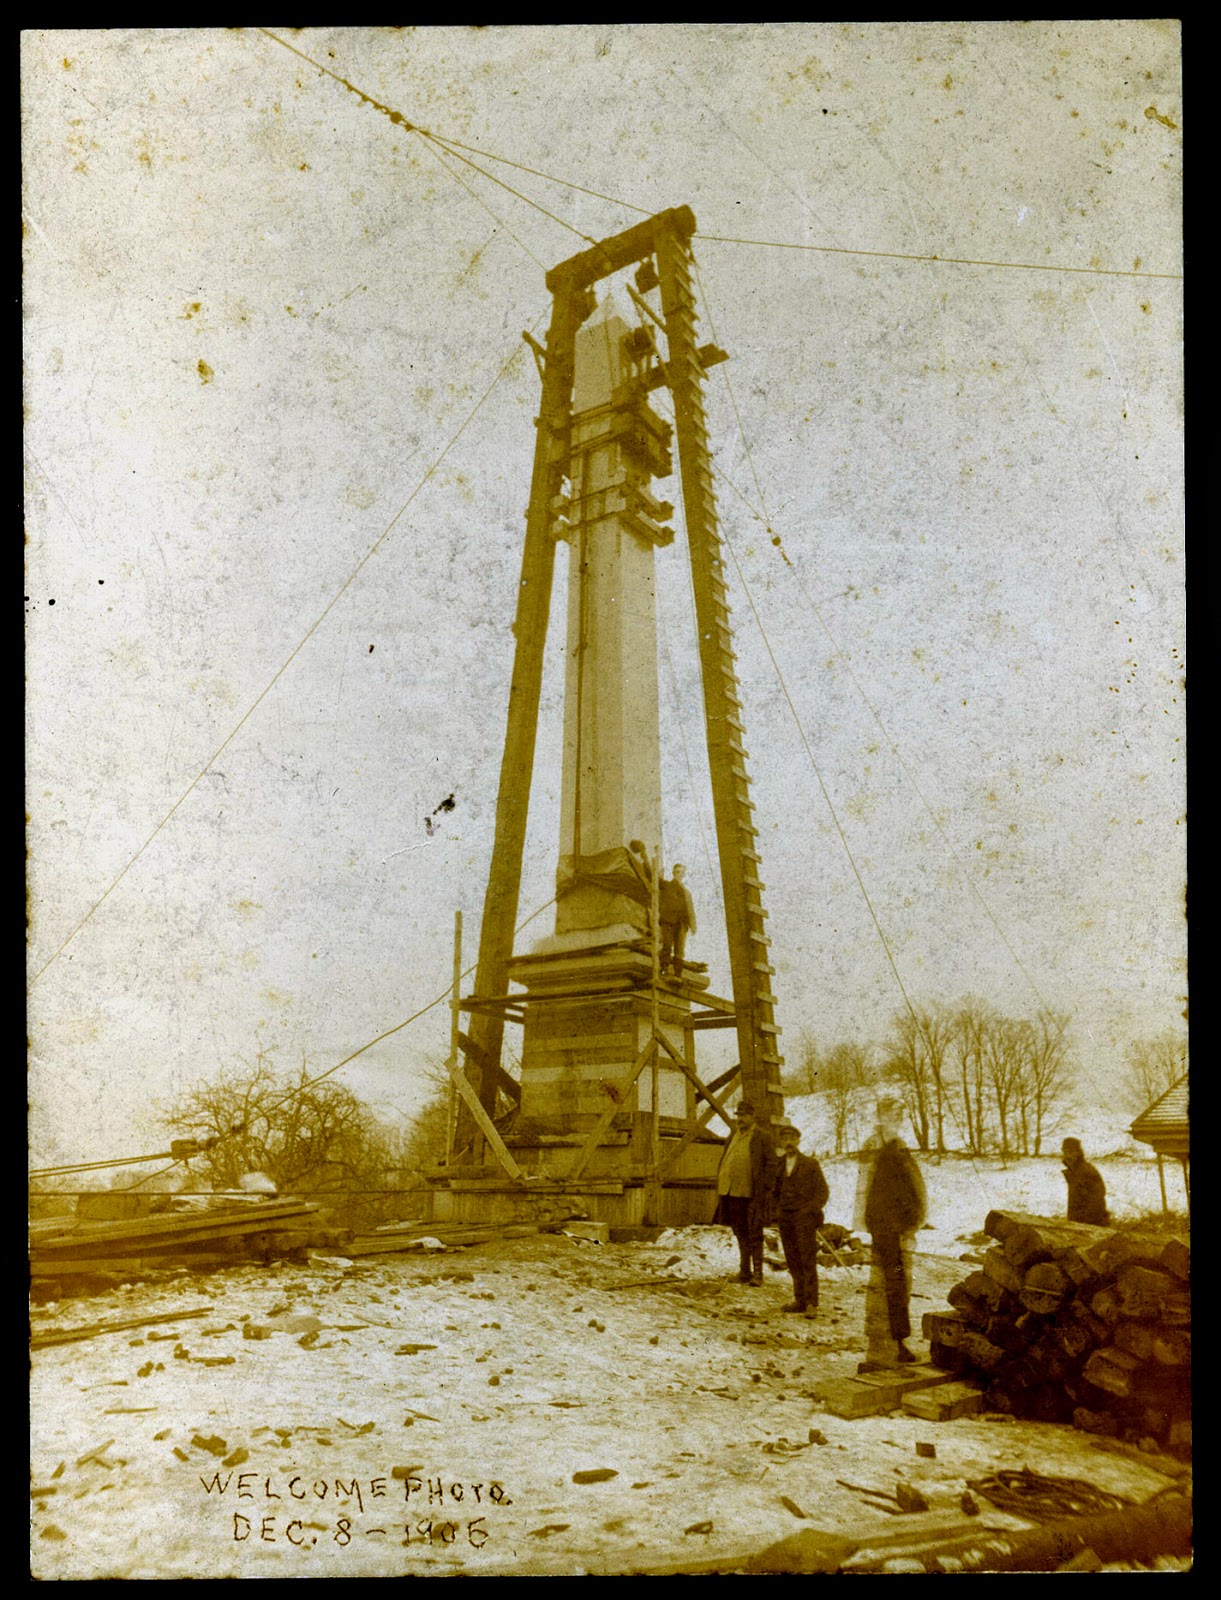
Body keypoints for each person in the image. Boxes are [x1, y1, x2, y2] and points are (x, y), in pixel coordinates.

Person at [855, 1096, 926, 1370]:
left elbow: (911, 1188)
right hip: (887, 1234)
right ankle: (879, 1350)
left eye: (899, 1116)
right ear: (881, 1116)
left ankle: (897, 1342)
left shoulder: (898, 1146)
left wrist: (912, 1221)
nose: (896, 1121)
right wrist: (888, 1225)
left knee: (899, 1285)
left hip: (899, 1232)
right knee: (885, 1287)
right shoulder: (877, 1148)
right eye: (892, 1115)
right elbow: (871, 1192)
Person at [712, 1100, 777, 1286]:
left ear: (752, 1116)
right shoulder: (734, 1134)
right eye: (738, 1115)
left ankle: (758, 1275)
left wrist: (763, 1189)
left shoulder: (762, 1136)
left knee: (754, 1233)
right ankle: (744, 1272)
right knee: (740, 1233)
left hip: (752, 1194)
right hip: (732, 1192)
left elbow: (772, 1164)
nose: (740, 1119)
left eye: (744, 1115)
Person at [772, 1123, 830, 1317]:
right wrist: (777, 1210)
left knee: (807, 1259)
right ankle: (799, 1300)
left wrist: (809, 1211)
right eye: (785, 1139)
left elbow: (822, 1192)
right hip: (785, 1218)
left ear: (798, 1141)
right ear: (781, 1142)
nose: (788, 1142)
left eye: (792, 1139)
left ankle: (811, 1303)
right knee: (792, 1259)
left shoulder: (810, 1164)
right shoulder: (778, 1164)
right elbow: (773, 1191)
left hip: (804, 1218)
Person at [658, 864, 696, 977]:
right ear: (673, 873)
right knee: (667, 946)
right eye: (677, 871)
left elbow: (690, 909)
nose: (678, 874)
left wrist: (693, 925)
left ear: (683, 874)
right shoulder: (666, 885)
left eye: (681, 872)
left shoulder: (686, 892)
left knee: (679, 950)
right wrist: (645, 858)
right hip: (668, 922)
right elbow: (652, 877)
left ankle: (678, 974)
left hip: (682, 924)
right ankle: (664, 969)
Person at [1062, 1137, 1109, 1225]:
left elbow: (1096, 1200)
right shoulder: (1074, 1171)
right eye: (1065, 1152)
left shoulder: (1087, 1172)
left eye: (1071, 1152)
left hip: (1092, 1224)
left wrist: (1081, 1223)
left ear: (1078, 1153)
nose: (1067, 1156)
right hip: (1078, 1223)